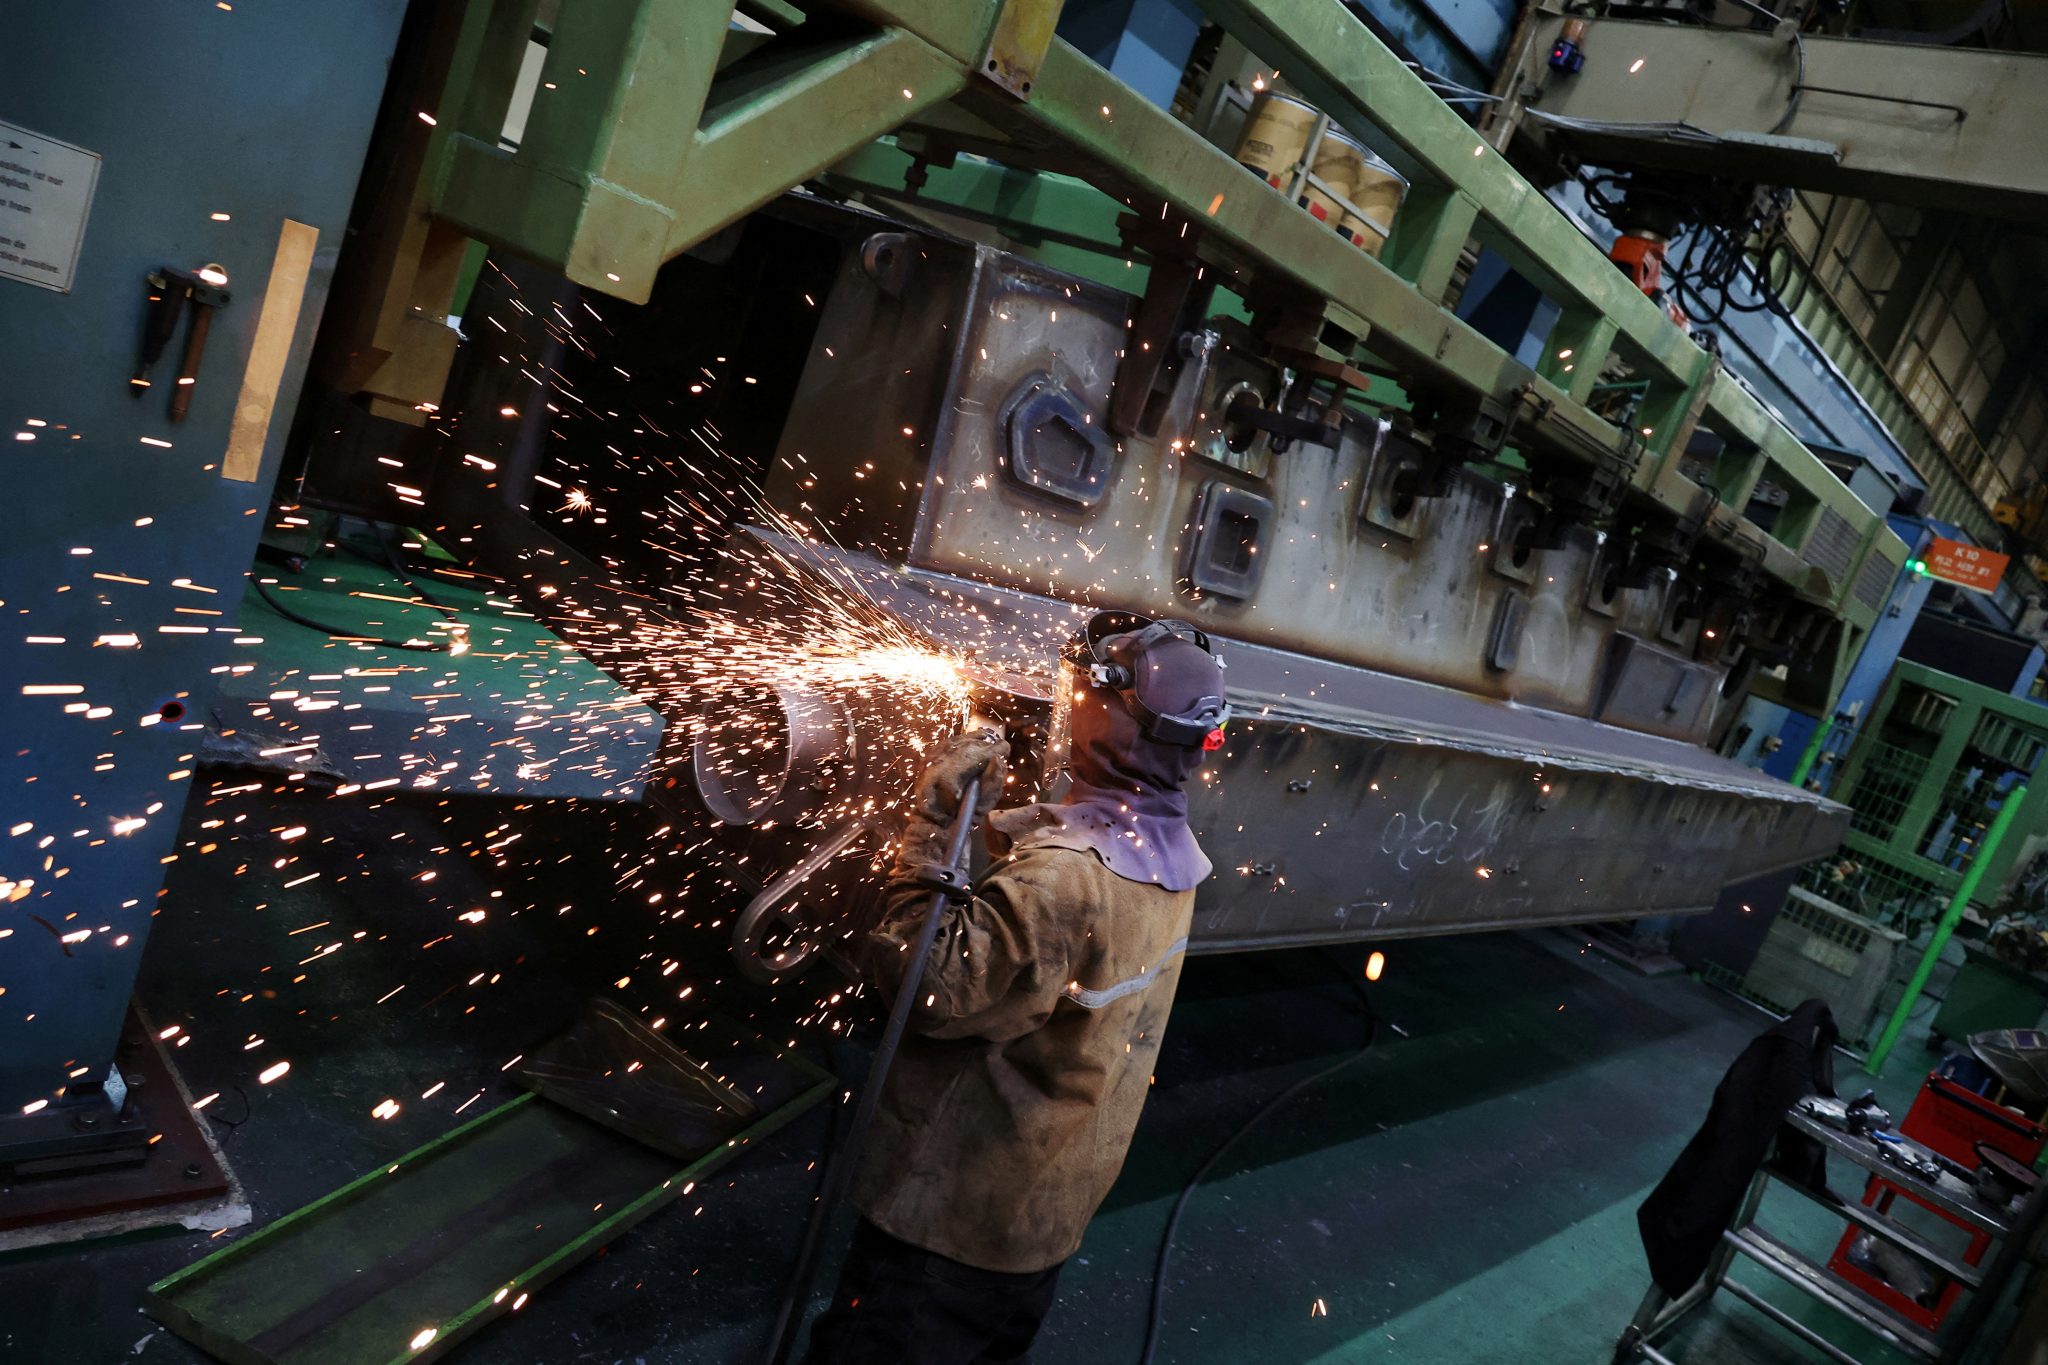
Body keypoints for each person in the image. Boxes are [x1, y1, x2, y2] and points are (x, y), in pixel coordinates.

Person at [802, 612, 1230, 1365]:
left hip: (951, 1224)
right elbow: (1044, 944)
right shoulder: (1172, 856)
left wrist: (934, 823)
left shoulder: (1062, 880)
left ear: (1108, 710)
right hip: (1041, 1217)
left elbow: (923, 985)